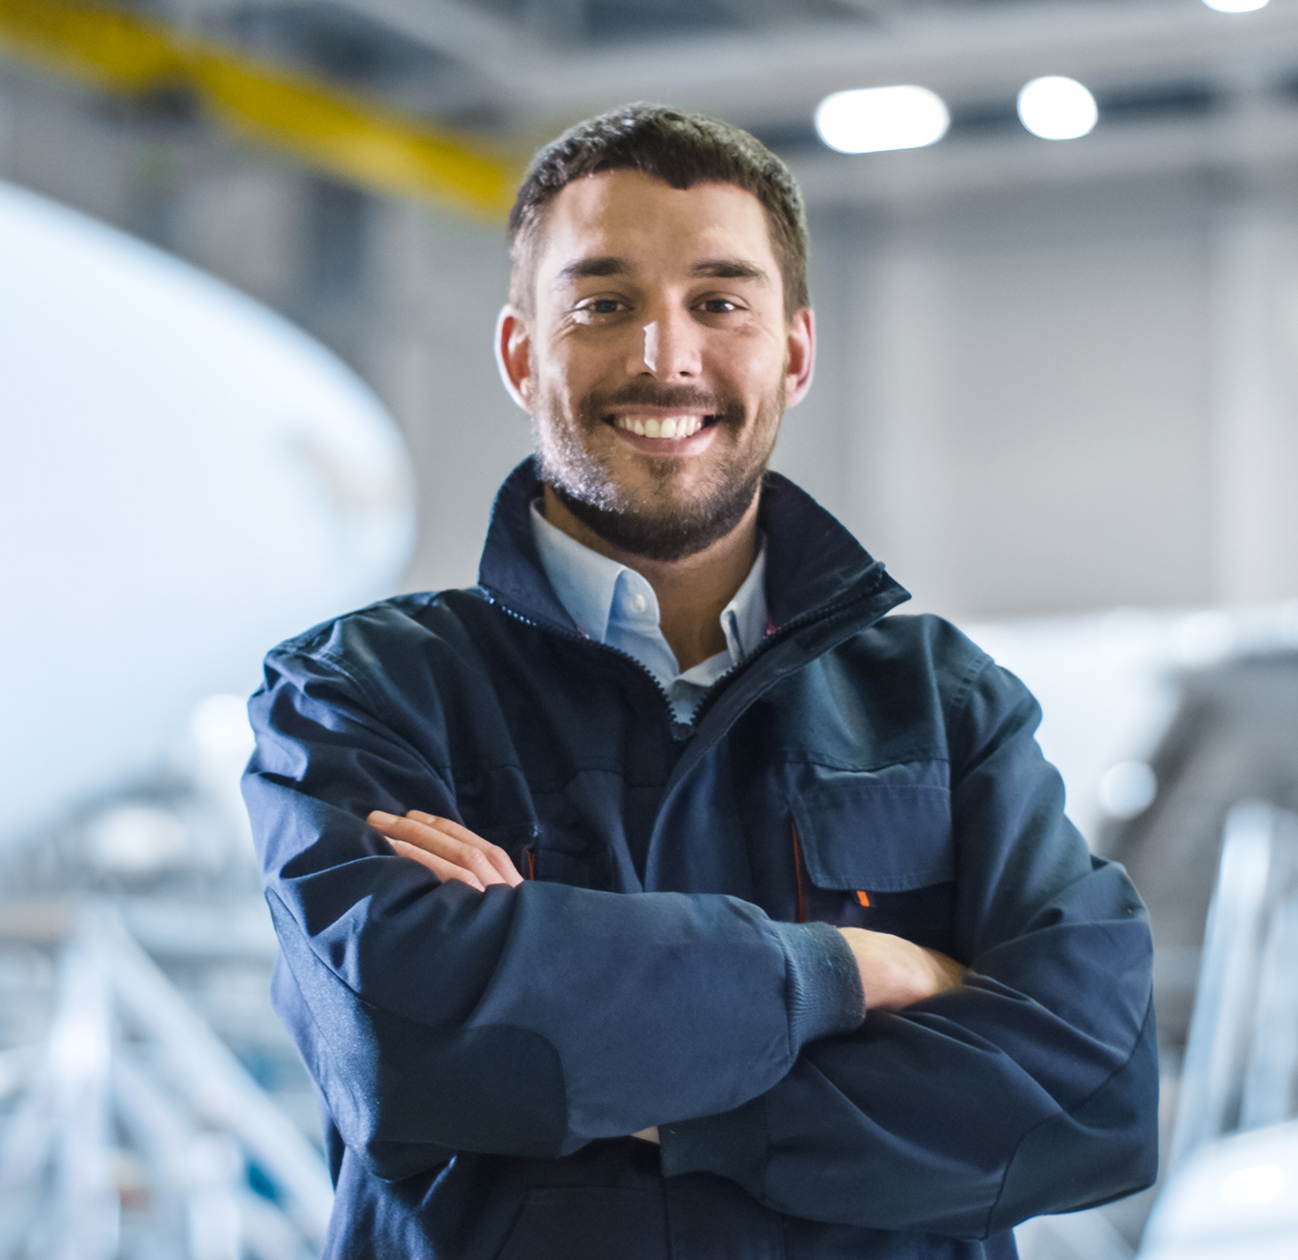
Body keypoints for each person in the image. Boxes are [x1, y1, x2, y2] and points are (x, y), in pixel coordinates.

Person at [245, 103, 1158, 1260]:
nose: (662, 357)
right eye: (602, 303)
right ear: (524, 352)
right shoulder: (362, 697)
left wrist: (632, 1081)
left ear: (796, 350)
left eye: (720, 302)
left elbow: (1094, 1096)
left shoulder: (944, 705)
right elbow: (407, 1044)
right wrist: (851, 971)